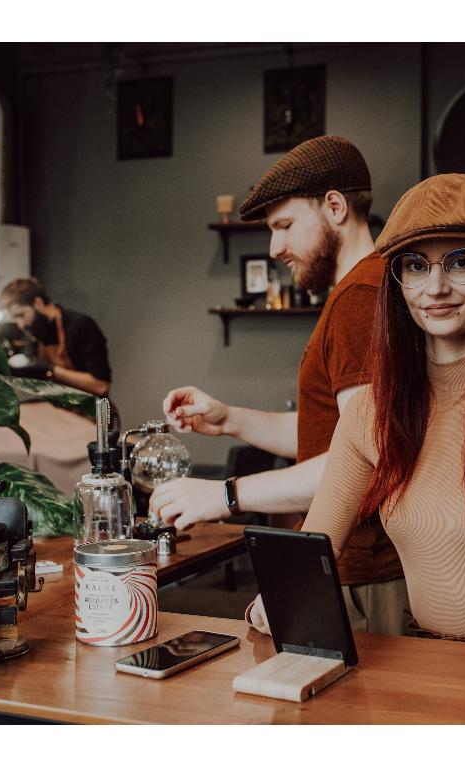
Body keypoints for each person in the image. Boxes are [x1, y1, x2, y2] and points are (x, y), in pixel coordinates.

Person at [247, 173, 465, 648]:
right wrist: (277, 597)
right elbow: (316, 542)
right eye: (415, 266)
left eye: (462, 262)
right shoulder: (370, 411)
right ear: (398, 283)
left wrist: (461, 698)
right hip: (424, 657)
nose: (436, 287)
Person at [150, 136, 408, 635]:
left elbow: (366, 459)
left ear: (335, 206)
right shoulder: (362, 291)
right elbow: (340, 436)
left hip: (369, 571)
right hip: (357, 566)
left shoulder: (360, 298)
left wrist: (225, 495)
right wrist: (230, 420)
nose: (274, 248)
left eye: (284, 226)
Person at [0, 277, 112, 397]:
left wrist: (50, 370)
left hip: (93, 409)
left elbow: (100, 386)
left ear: (38, 303)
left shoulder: (80, 325)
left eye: (21, 315)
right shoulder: (37, 332)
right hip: (61, 405)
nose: (21, 325)